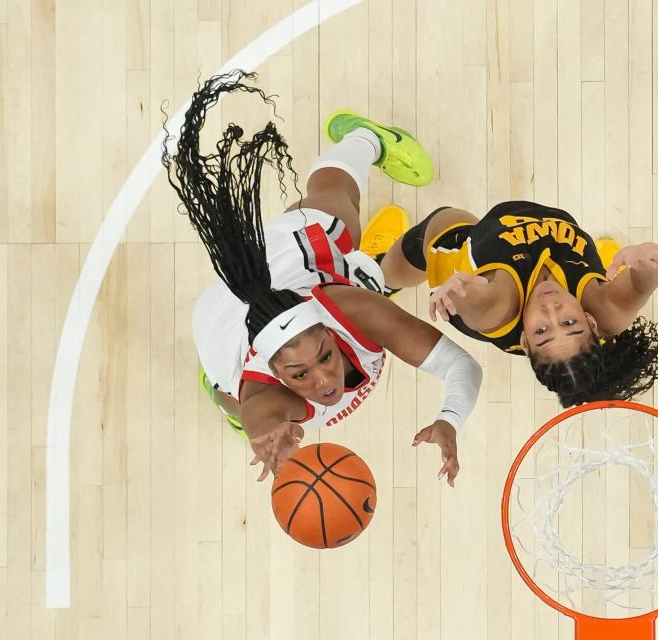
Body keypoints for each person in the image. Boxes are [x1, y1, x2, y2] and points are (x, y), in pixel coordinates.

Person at [162, 70, 482, 486]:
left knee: (338, 214)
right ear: (277, 374)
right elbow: (261, 410)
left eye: (325, 355)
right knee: (234, 402)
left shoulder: (349, 310)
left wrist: (450, 417)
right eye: (299, 375)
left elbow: (462, 366)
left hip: (282, 270)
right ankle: (375, 268)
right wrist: (263, 432)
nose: (325, 378)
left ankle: (365, 138)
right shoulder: (266, 392)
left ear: (330, 331)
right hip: (220, 328)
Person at [371, 201, 658, 407]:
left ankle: (378, 274)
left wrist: (457, 289)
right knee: (610, 284)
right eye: (570, 323)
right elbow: (646, 280)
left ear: (524, 339)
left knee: (411, 252)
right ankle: (600, 267)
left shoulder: (496, 307)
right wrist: (643, 260)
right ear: (591, 322)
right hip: (534, 243)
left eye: (542, 330)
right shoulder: (609, 313)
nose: (551, 310)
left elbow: (472, 300)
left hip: (460, 250)